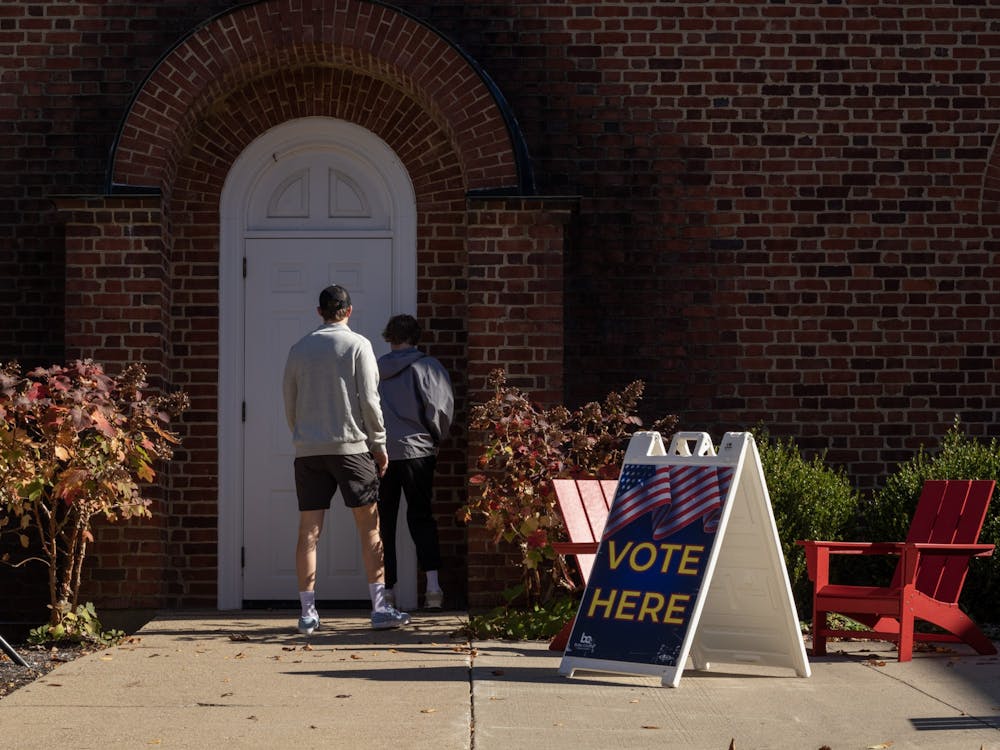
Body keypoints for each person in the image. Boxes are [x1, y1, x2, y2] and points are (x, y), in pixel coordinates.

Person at [282, 285, 411, 634]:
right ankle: (380, 609)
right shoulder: (357, 346)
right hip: (352, 448)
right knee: (370, 530)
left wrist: (304, 436)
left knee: (308, 531)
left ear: (319, 311)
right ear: (349, 311)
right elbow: (370, 400)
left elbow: (289, 403)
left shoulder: (299, 349)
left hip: (309, 450)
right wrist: (379, 444)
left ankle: (308, 614)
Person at [376, 314, 454, 610]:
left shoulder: (375, 368)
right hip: (418, 452)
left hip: (383, 453)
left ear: (389, 336)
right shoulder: (428, 367)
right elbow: (440, 409)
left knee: (384, 522)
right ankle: (433, 589)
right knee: (421, 517)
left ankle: (387, 591)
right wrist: (435, 438)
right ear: (416, 336)